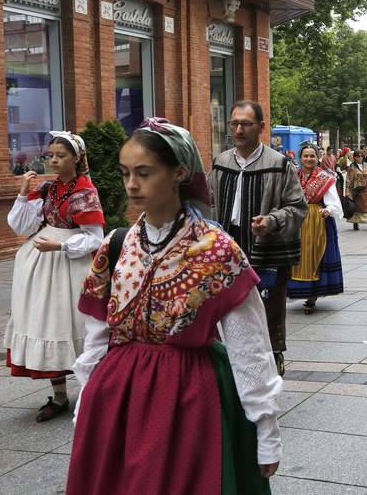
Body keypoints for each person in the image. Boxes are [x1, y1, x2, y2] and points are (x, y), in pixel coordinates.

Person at [67, 118, 282, 493]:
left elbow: (250, 347)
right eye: (125, 173)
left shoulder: (217, 250)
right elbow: (98, 337)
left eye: (145, 173)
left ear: (179, 172)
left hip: (188, 399)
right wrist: (88, 399)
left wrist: (265, 431)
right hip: (118, 398)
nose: (131, 184)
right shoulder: (117, 244)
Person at [5, 131, 104, 422]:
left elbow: (95, 238)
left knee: (71, 324)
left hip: (70, 266)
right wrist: (23, 192)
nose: (54, 160)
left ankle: (92, 391)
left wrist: (60, 245)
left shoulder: (85, 191)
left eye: (60, 155)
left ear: (76, 158)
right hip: (41, 265)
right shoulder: (49, 188)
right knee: (47, 324)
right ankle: (59, 396)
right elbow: (21, 225)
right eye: (51, 155)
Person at [208, 101, 308, 376]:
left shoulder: (279, 164)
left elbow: (298, 208)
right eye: (234, 124)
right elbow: (209, 201)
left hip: (267, 250)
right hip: (229, 250)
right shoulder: (221, 163)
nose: (238, 130)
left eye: (246, 124)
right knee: (228, 311)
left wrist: (271, 221)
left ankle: (271, 359)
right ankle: (235, 366)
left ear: (261, 128)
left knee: (269, 310)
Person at [287, 143, 344, 314]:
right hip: (297, 220)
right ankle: (298, 289)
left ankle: (312, 296)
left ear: (317, 158)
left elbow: (333, 202)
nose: (309, 159)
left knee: (315, 257)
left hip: (317, 219)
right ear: (300, 158)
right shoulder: (293, 176)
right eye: (306, 156)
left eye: (312, 156)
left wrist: (329, 210)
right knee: (299, 258)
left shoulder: (324, 178)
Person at [347, 150, 367, 231]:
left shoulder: (366, 165)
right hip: (357, 191)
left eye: (361, 156)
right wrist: (348, 192)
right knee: (357, 208)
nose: (360, 158)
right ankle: (355, 222)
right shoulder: (352, 167)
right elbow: (349, 180)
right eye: (358, 156)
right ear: (355, 157)